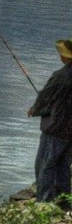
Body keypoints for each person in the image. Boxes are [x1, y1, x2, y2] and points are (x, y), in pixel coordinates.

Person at [28, 38, 72, 205]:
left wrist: (34, 110)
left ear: (66, 57)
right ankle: (65, 204)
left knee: (45, 165)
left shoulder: (59, 76)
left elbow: (46, 97)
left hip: (55, 129)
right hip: (70, 132)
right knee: (63, 167)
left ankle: (43, 203)